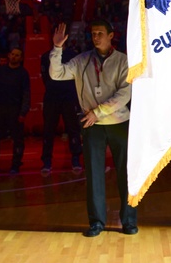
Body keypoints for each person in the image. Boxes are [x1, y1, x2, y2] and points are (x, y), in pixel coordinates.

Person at [49, 18, 136, 236]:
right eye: (93, 33)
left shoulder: (123, 61)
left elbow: (125, 93)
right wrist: (57, 48)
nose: (95, 37)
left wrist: (98, 113)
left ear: (110, 35)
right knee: (94, 175)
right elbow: (56, 74)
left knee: (127, 174)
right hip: (92, 126)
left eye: (99, 33)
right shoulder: (82, 61)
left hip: (118, 123)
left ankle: (129, 220)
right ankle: (97, 221)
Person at [0, 47, 31, 174]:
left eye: (17, 55)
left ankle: (15, 164)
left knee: (17, 138)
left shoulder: (23, 73)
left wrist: (23, 111)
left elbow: (26, 93)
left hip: (15, 109)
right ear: (9, 55)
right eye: (12, 54)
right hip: (0, 108)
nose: (14, 57)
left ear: (21, 58)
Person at [40, 46, 83, 174]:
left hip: (69, 97)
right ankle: (47, 161)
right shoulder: (46, 55)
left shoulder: (73, 54)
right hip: (52, 98)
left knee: (73, 128)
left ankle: (76, 159)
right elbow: (45, 77)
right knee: (48, 130)